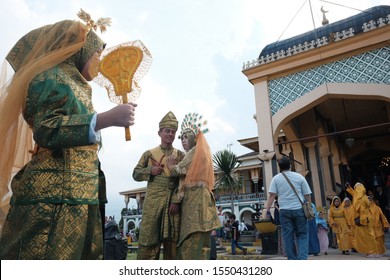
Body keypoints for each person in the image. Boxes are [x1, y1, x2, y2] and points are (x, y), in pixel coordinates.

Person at [0, 15, 137, 260]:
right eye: (97, 55)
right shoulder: (49, 76)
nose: (99, 63)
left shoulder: (77, 84)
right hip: (54, 197)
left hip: (80, 194)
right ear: (80, 50)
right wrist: (105, 119)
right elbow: (48, 128)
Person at [166, 112, 220, 259]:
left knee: (189, 240)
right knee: (204, 243)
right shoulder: (204, 152)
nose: (183, 141)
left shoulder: (194, 151)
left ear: (193, 138)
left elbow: (178, 170)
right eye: (181, 138)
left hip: (194, 201)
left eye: (186, 137)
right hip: (205, 200)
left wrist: (172, 166)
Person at [132, 111, 185, 260]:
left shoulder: (180, 155)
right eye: (167, 131)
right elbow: (135, 173)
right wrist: (150, 170)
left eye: (173, 132)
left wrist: (176, 199)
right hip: (153, 202)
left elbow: (185, 179)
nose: (170, 134)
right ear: (159, 132)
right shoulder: (149, 154)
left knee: (173, 240)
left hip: (172, 203)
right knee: (149, 238)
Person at [265, 156, 312, 260]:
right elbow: (307, 195)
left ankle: (292, 260)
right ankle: (302, 259)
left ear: (280, 167)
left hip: (284, 211)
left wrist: (267, 211)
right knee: (302, 235)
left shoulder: (276, 178)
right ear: (290, 165)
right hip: (299, 210)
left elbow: (272, 195)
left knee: (288, 237)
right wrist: (309, 207)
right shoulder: (299, 177)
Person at [347, 182, 377, 257]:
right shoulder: (357, 197)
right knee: (363, 236)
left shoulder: (364, 198)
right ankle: (368, 251)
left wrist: (363, 218)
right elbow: (354, 193)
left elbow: (366, 207)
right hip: (361, 220)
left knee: (369, 235)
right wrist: (349, 188)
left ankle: (373, 251)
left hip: (366, 220)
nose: (357, 190)